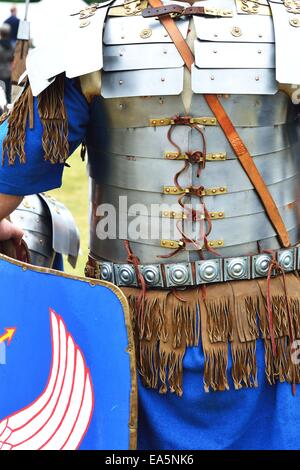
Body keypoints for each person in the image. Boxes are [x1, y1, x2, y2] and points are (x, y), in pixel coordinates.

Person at [0, 0, 300, 451]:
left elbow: (11, 173)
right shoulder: (290, 30)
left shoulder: (87, 39)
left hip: (135, 336)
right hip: (271, 330)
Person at [0, 23, 14, 104]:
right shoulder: (11, 46)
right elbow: (12, 60)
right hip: (8, 72)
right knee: (7, 95)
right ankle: (6, 114)